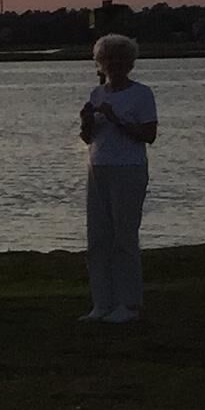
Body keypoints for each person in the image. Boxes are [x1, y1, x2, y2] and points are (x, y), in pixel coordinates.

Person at [78, 32, 158, 324]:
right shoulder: (97, 94)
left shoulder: (141, 94)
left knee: (124, 237)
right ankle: (102, 302)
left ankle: (129, 303)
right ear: (100, 64)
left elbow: (148, 135)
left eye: (120, 59)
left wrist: (116, 119)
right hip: (98, 169)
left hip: (129, 169)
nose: (114, 64)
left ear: (130, 63)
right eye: (108, 59)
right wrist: (87, 122)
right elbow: (89, 137)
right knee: (98, 238)